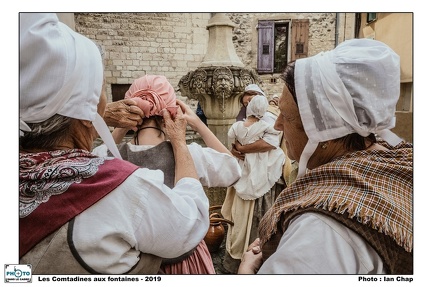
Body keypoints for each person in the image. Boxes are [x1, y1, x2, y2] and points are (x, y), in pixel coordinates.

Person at [19, 13, 210, 275]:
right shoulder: (121, 190)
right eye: (100, 92)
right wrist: (179, 140)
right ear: (88, 113)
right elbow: (192, 220)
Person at [238, 38, 413, 274]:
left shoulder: (320, 232)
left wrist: (247, 272)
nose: (278, 125)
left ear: (325, 132)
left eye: (287, 116)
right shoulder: (392, 158)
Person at [92, 74, 242, 274]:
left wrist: (121, 127)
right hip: (184, 264)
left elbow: (100, 153)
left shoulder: (105, 156)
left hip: (132, 265)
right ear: (171, 112)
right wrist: (198, 123)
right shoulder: (189, 156)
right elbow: (234, 169)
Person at [221, 84, 287, 274]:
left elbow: (270, 143)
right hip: (246, 172)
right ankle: (239, 257)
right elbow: (235, 141)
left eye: (251, 100)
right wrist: (235, 149)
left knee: (257, 217)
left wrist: (241, 149)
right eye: (246, 102)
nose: (249, 104)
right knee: (240, 217)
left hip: (264, 174)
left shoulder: (270, 118)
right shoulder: (247, 121)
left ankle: (257, 258)